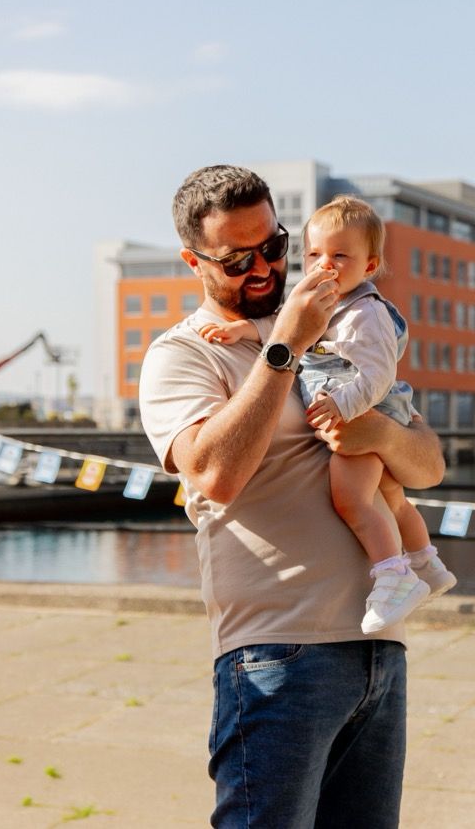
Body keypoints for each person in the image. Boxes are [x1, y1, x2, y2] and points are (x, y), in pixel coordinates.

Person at [138, 165, 446, 828]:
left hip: (377, 649)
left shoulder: (333, 336)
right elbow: (213, 474)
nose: (263, 267)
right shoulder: (182, 356)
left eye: (273, 245)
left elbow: (427, 466)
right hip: (275, 655)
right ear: (192, 260)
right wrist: (283, 346)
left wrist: (379, 431)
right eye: (236, 258)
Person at [196, 195, 457, 634]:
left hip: (362, 407)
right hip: (282, 623)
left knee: (352, 499)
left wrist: (350, 411)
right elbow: (284, 326)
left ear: (369, 266)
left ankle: (394, 576)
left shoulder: (366, 313)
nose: (325, 264)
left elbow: (377, 374)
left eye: (340, 256)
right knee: (391, 499)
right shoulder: (320, 300)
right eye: (314, 254)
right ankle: (427, 564)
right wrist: (244, 331)